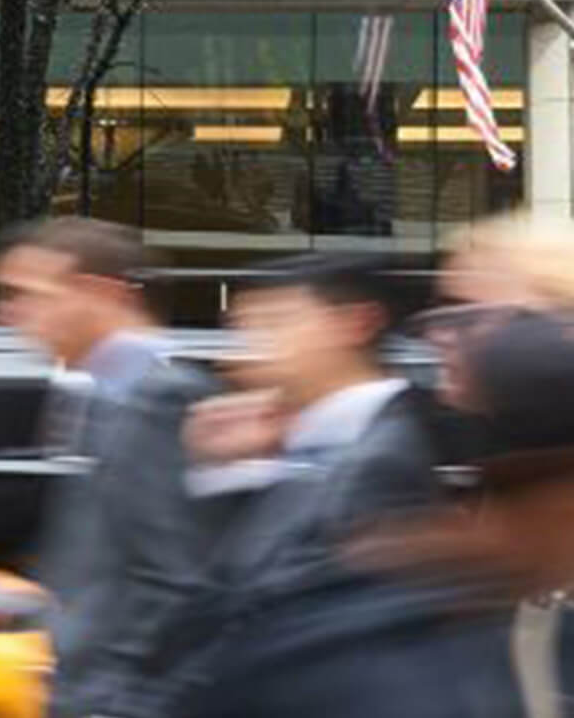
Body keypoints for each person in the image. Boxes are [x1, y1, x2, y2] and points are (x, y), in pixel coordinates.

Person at [183, 253, 518, 718]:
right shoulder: (305, 441)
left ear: (355, 323)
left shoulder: (388, 459)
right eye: (244, 324)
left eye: (275, 320)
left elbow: (289, 615)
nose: (254, 342)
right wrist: (230, 474)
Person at [0, 217, 217, 718]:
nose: (8, 314)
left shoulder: (160, 396)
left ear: (98, 292)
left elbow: (174, 576)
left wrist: (116, 700)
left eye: (28, 294)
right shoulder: (104, 392)